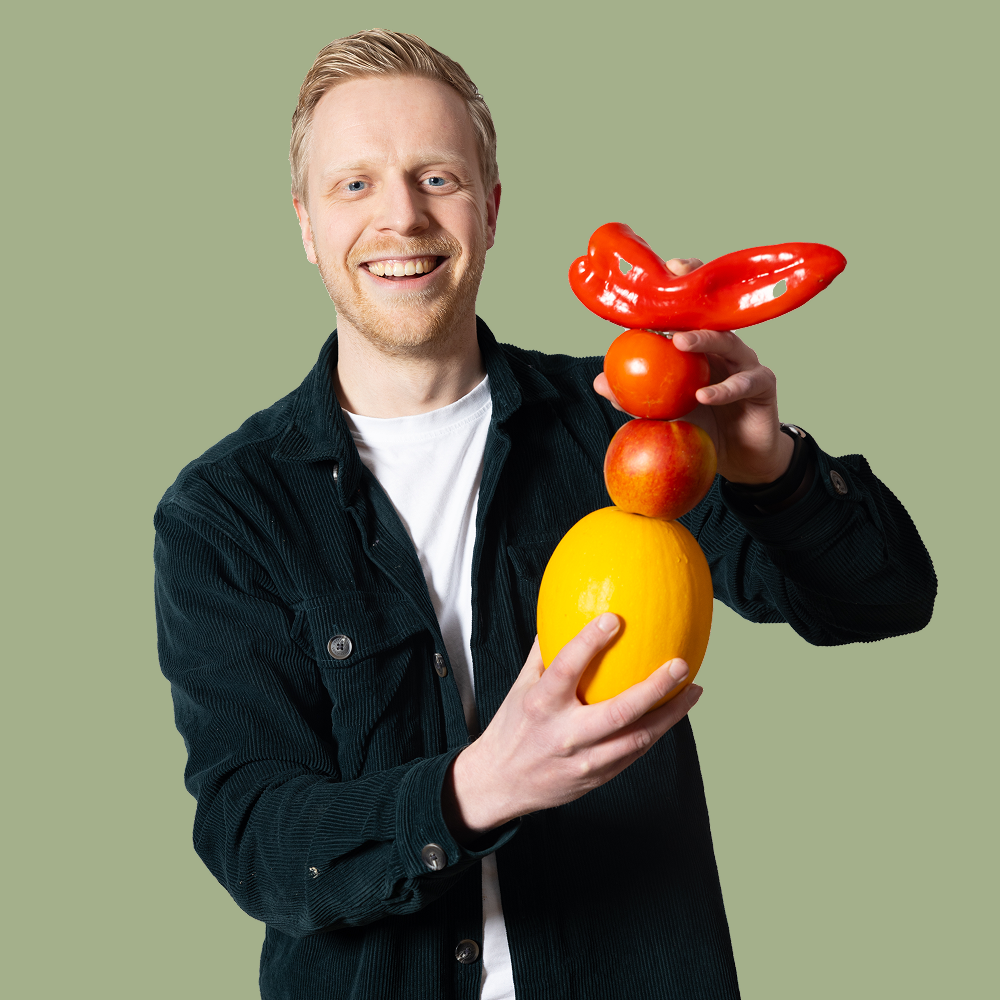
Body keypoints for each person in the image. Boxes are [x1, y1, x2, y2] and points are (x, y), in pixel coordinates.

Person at [153, 30, 936, 1000]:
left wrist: (764, 465)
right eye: (355, 184)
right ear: (307, 224)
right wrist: (480, 786)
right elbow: (254, 836)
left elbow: (881, 600)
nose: (401, 215)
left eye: (436, 178)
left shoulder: (623, 430)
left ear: (489, 208)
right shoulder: (228, 511)